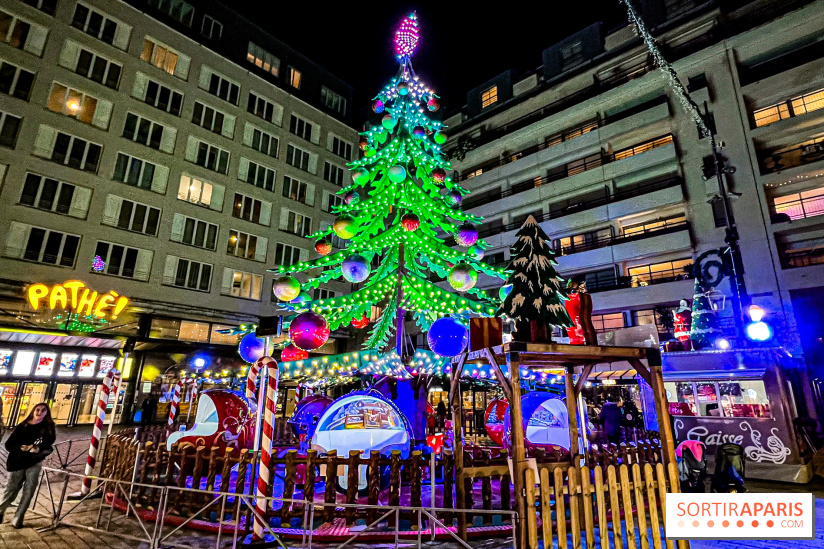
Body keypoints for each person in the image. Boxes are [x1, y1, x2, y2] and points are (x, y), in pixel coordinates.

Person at [0, 402, 56, 528]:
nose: (39, 412)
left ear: (47, 413)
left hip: (34, 462)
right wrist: (21, 448)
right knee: (11, 489)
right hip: (18, 462)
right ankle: (1, 510)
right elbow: (8, 444)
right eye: (37, 409)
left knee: (29, 490)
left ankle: (18, 518)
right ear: (33, 410)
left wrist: (38, 448)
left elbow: (49, 443)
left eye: (43, 410)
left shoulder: (48, 427)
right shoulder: (23, 425)